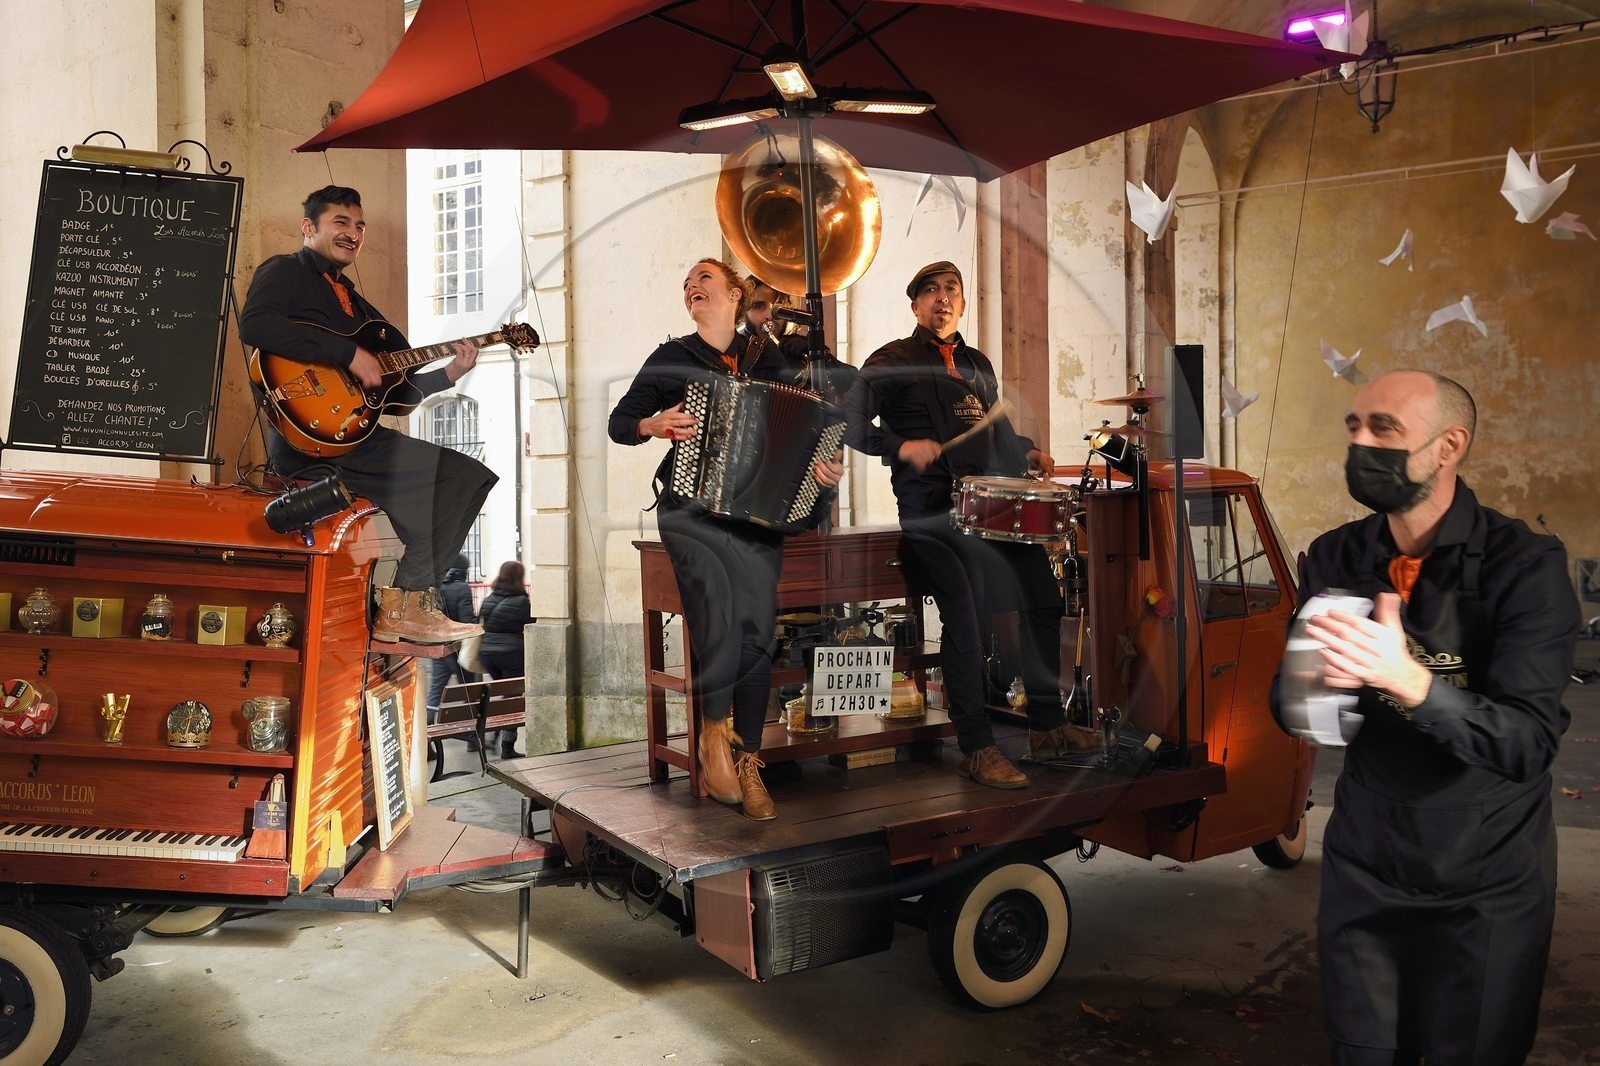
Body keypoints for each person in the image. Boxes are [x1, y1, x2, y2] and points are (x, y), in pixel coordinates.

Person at [1273, 369, 1577, 1065]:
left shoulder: (1524, 567)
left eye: (1385, 430)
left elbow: (1527, 744)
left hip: (1484, 882)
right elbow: (1300, 716)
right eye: (1355, 426)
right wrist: (1315, 689)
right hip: (1365, 867)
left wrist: (1407, 680)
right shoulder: (1336, 557)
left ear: (1449, 446)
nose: (1361, 443)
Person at [843, 260, 1097, 790]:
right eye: (930, 291)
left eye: (951, 290)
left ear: (962, 303)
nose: (942, 298)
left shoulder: (978, 363)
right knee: (965, 615)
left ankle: (1048, 728)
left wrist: (1027, 454)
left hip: (991, 512)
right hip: (931, 513)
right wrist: (899, 446)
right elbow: (846, 421)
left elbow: (996, 431)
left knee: (1043, 599)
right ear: (914, 306)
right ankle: (977, 748)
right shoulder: (891, 360)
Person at [608, 258, 843, 821]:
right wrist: (653, 425)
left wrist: (822, 470)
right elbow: (620, 423)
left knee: (757, 633)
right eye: (685, 282)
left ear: (736, 295)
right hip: (691, 510)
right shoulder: (671, 358)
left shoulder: (772, 360)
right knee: (718, 617)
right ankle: (714, 733)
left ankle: (749, 761)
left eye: (704, 279)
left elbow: (811, 430)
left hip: (758, 516)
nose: (691, 286)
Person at [240, 185, 495, 645]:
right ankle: (409, 603)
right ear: (308, 227)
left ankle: (407, 605)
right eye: (341, 222)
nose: (353, 233)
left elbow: (398, 393)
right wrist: (345, 351)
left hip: (356, 436)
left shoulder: (357, 304)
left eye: (359, 226)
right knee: (456, 479)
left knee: (465, 478)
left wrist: (452, 373)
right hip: (309, 440)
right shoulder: (285, 271)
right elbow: (255, 325)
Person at [476, 560, 534, 760]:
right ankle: (507, 747)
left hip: (488, 653)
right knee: (513, 699)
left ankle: (495, 735)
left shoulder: (490, 597)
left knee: (506, 695)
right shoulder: (521, 601)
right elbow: (531, 623)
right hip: (512, 654)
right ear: (519, 577)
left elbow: (481, 620)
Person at [425, 554, 479, 727]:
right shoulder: (462, 588)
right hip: (458, 648)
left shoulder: (437, 586)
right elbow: (466, 620)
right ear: (463, 570)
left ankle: (427, 732)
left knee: (435, 692)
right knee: (469, 691)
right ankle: (471, 734)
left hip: (439, 647)